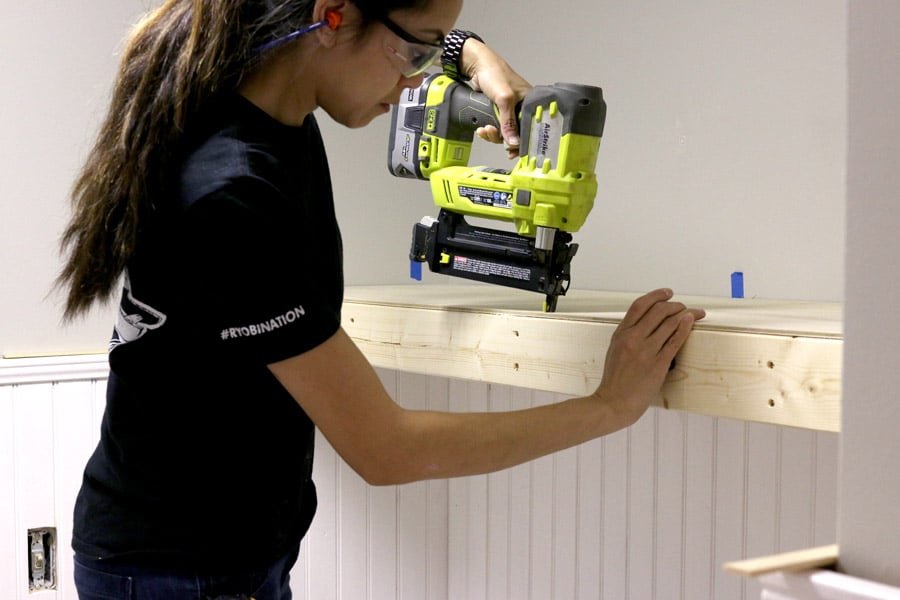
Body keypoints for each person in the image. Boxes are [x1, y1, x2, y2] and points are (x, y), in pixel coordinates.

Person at [56, 0, 706, 598]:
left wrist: (467, 51)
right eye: (417, 51)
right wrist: (610, 405)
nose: (416, 83)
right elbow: (388, 450)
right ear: (332, 17)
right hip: (178, 570)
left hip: (208, 554)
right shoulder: (234, 196)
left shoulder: (246, 101)